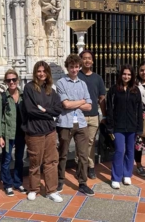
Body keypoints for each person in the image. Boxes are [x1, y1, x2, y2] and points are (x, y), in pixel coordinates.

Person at [22, 61, 63, 202]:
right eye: (39, 71)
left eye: (44, 71)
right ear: (35, 73)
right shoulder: (29, 88)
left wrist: (45, 110)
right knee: (35, 162)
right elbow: (30, 110)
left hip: (50, 131)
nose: (41, 74)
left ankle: (52, 190)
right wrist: (48, 113)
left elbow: (59, 109)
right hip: (34, 131)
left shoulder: (50, 90)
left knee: (51, 161)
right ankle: (34, 188)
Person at [56, 54, 94, 196]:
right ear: (68, 67)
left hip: (81, 123)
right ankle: (60, 180)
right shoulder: (61, 83)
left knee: (83, 154)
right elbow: (65, 104)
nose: (74, 69)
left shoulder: (83, 84)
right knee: (63, 154)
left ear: (79, 67)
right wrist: (81, 101)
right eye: (71, 67)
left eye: (76, 67)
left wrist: (74, 103)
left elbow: (89, 106)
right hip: (65, 123)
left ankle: (82, 183)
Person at [106, 64, 143, 189]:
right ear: (120, 75)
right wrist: (110, 125)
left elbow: (139, 109)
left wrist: (139, 127)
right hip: (118, 126)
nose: (126, 76)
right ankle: (116, 177)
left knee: (130, 150)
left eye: (129, 74)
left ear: (132, 76)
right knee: (119, 150)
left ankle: (127, 174)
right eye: (124, 74)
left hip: (132, 126)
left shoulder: (135, 90)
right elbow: (109, 108)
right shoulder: (114, 89)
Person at [0, 69, 26, 197]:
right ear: (6, 82)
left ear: (18, 80)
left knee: (19, 159)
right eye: (9, 80)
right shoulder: (1, 98)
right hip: (8, 133)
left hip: (22, 133)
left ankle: (18, 182)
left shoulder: (24, 96)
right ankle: (7, 184)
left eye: (14, 79)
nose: (12, 82)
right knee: (7, 159)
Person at [76, 49, 106, 179]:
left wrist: (104, 115)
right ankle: (81, 167)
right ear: (80, 60)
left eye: (89, 58)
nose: (87, 60)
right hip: (79, 115)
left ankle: (91, 166)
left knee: (91, 142)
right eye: (84, 58)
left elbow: (101, 98)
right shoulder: (76, 76)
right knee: (79, 142)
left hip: (94, 115)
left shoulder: (97, 78)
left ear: (92, 61)